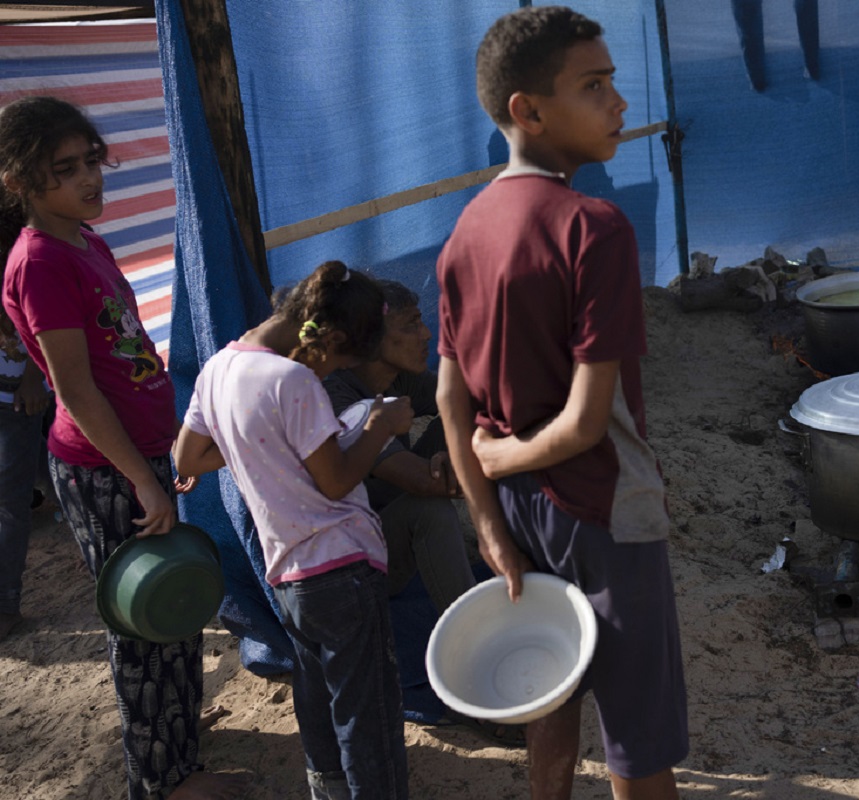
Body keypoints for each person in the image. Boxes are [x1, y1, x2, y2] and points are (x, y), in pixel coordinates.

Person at [436, 7, 689, 799]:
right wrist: (509, 451)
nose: (619, 101)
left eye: (612, 82)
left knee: (553, 677)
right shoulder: (595, 227)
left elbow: (449, 397)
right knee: (638, 739)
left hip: (516, 511)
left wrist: (488, 523)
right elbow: (585, 422)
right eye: (595, 84)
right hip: (603, 505)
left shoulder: (465, 231)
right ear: (528, 109)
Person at [0, 95, 247, 799]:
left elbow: (125, 351)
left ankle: (178, 744)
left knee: (173, 609)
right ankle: (163, 782)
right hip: (106, 472)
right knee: (144, 623)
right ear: (21, 182)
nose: (90, 180)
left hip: (139, 459)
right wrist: (140, 478)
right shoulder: (41, 260)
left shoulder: (84, 238)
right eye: (66, 170)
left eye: (91, 163)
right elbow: (75, 388)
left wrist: (167, 448)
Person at [173, 260, 412, 800]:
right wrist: (379, 425)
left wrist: (254, 451)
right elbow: (335, 483)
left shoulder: (217, 369)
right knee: (366, 710)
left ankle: (325, 788)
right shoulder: (295, 380)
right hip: (343, 564)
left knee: (315, 689)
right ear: (326, 338)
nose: (331, 376)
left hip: (288, 573)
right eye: (341, 363)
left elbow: (186, 456)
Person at [322, 279, 475, 608]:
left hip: (391, 519)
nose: (427, 334)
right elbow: (423, 482)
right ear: (370, 340)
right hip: (355, 568)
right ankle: (475, 632)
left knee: (465, 416)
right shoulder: (340, 402)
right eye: (412, 324)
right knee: (431, 509)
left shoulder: (401, 378)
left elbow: (469, 403)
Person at [0, 315, 51, 641]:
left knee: (8, 500)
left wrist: (33, 377)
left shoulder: (16, 266)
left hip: (16, 397)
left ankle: (6, 606)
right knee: (46, 468)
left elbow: (42, 319)